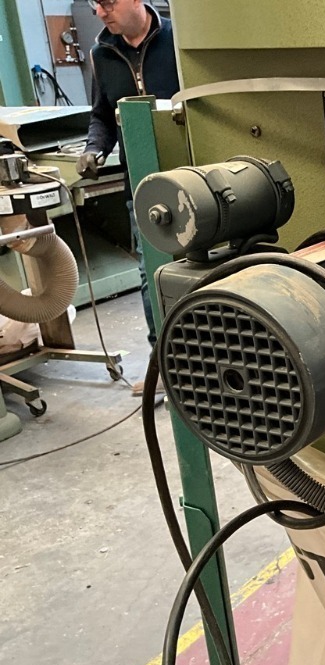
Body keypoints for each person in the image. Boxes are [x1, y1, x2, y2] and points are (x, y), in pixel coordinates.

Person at [77, 0, 178, 393]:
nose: (101, 12)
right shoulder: (101, 54)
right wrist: (94, 148)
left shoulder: (178, 40)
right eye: (94, 4)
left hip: (192, 178)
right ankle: (164, 367)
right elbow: (101, 116)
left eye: (108, 2)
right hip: (140, 185)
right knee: (151, 276)